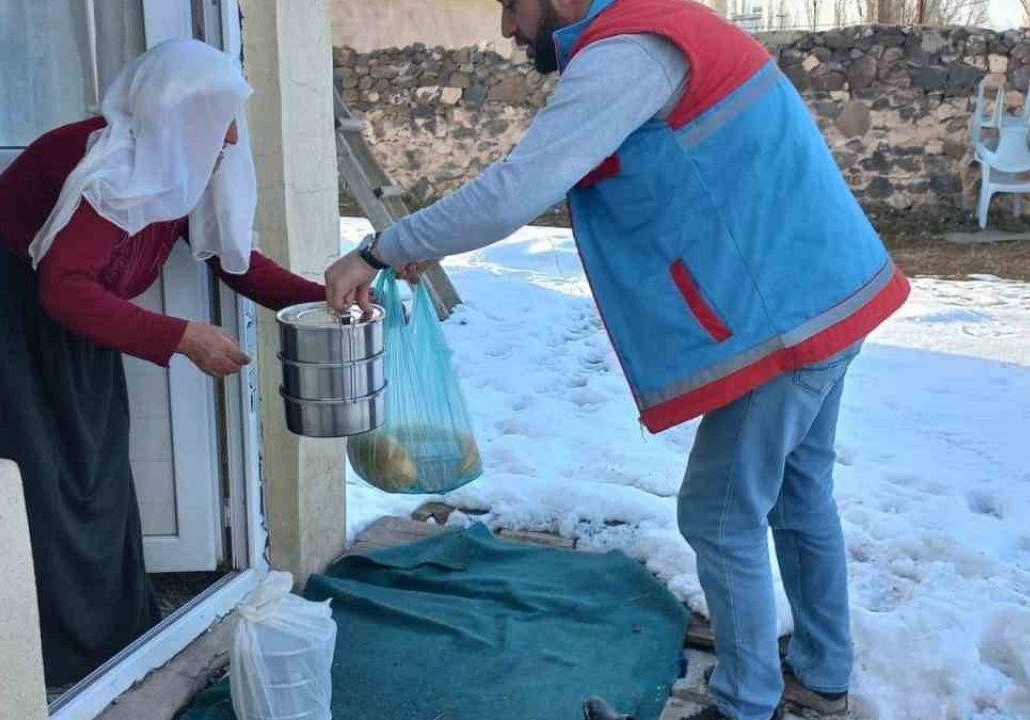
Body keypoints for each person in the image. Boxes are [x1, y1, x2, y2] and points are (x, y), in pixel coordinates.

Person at [324, 1, 912, 718]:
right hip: (824, 287)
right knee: (797, 492)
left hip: (782, 315)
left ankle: (745, 703)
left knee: (719, 516)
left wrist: (383, 247)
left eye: (512, 5)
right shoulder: (660, 26)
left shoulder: (629, 52)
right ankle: (820, 671)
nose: (508, 29)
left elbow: (517, 187)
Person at [0, 38, 325, 686]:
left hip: (80, 312)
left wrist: (325, 299)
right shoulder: (109, 166)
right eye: (222, 116)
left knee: (97, 466)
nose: (234, 135)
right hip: (11, 316)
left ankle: (111, 635)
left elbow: (229, 258)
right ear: (180, 114)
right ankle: (61, 656)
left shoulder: (174, 161)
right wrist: (183, 336)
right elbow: (61, 288)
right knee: (51, 479)